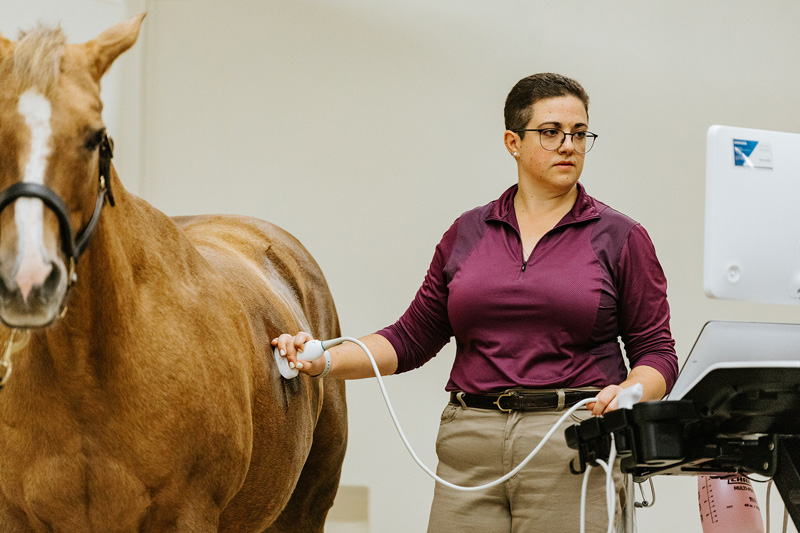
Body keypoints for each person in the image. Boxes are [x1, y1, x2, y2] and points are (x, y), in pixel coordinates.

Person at [272, 72, 679, 533]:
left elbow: (657, 353)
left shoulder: (621, 237)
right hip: (469, 447)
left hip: (572, 444)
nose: (568, 144)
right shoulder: (467, 232)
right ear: (513, 141)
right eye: (550, 132)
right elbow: (410, 338)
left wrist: (632, 392)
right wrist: (321, 359)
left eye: (580, 133)